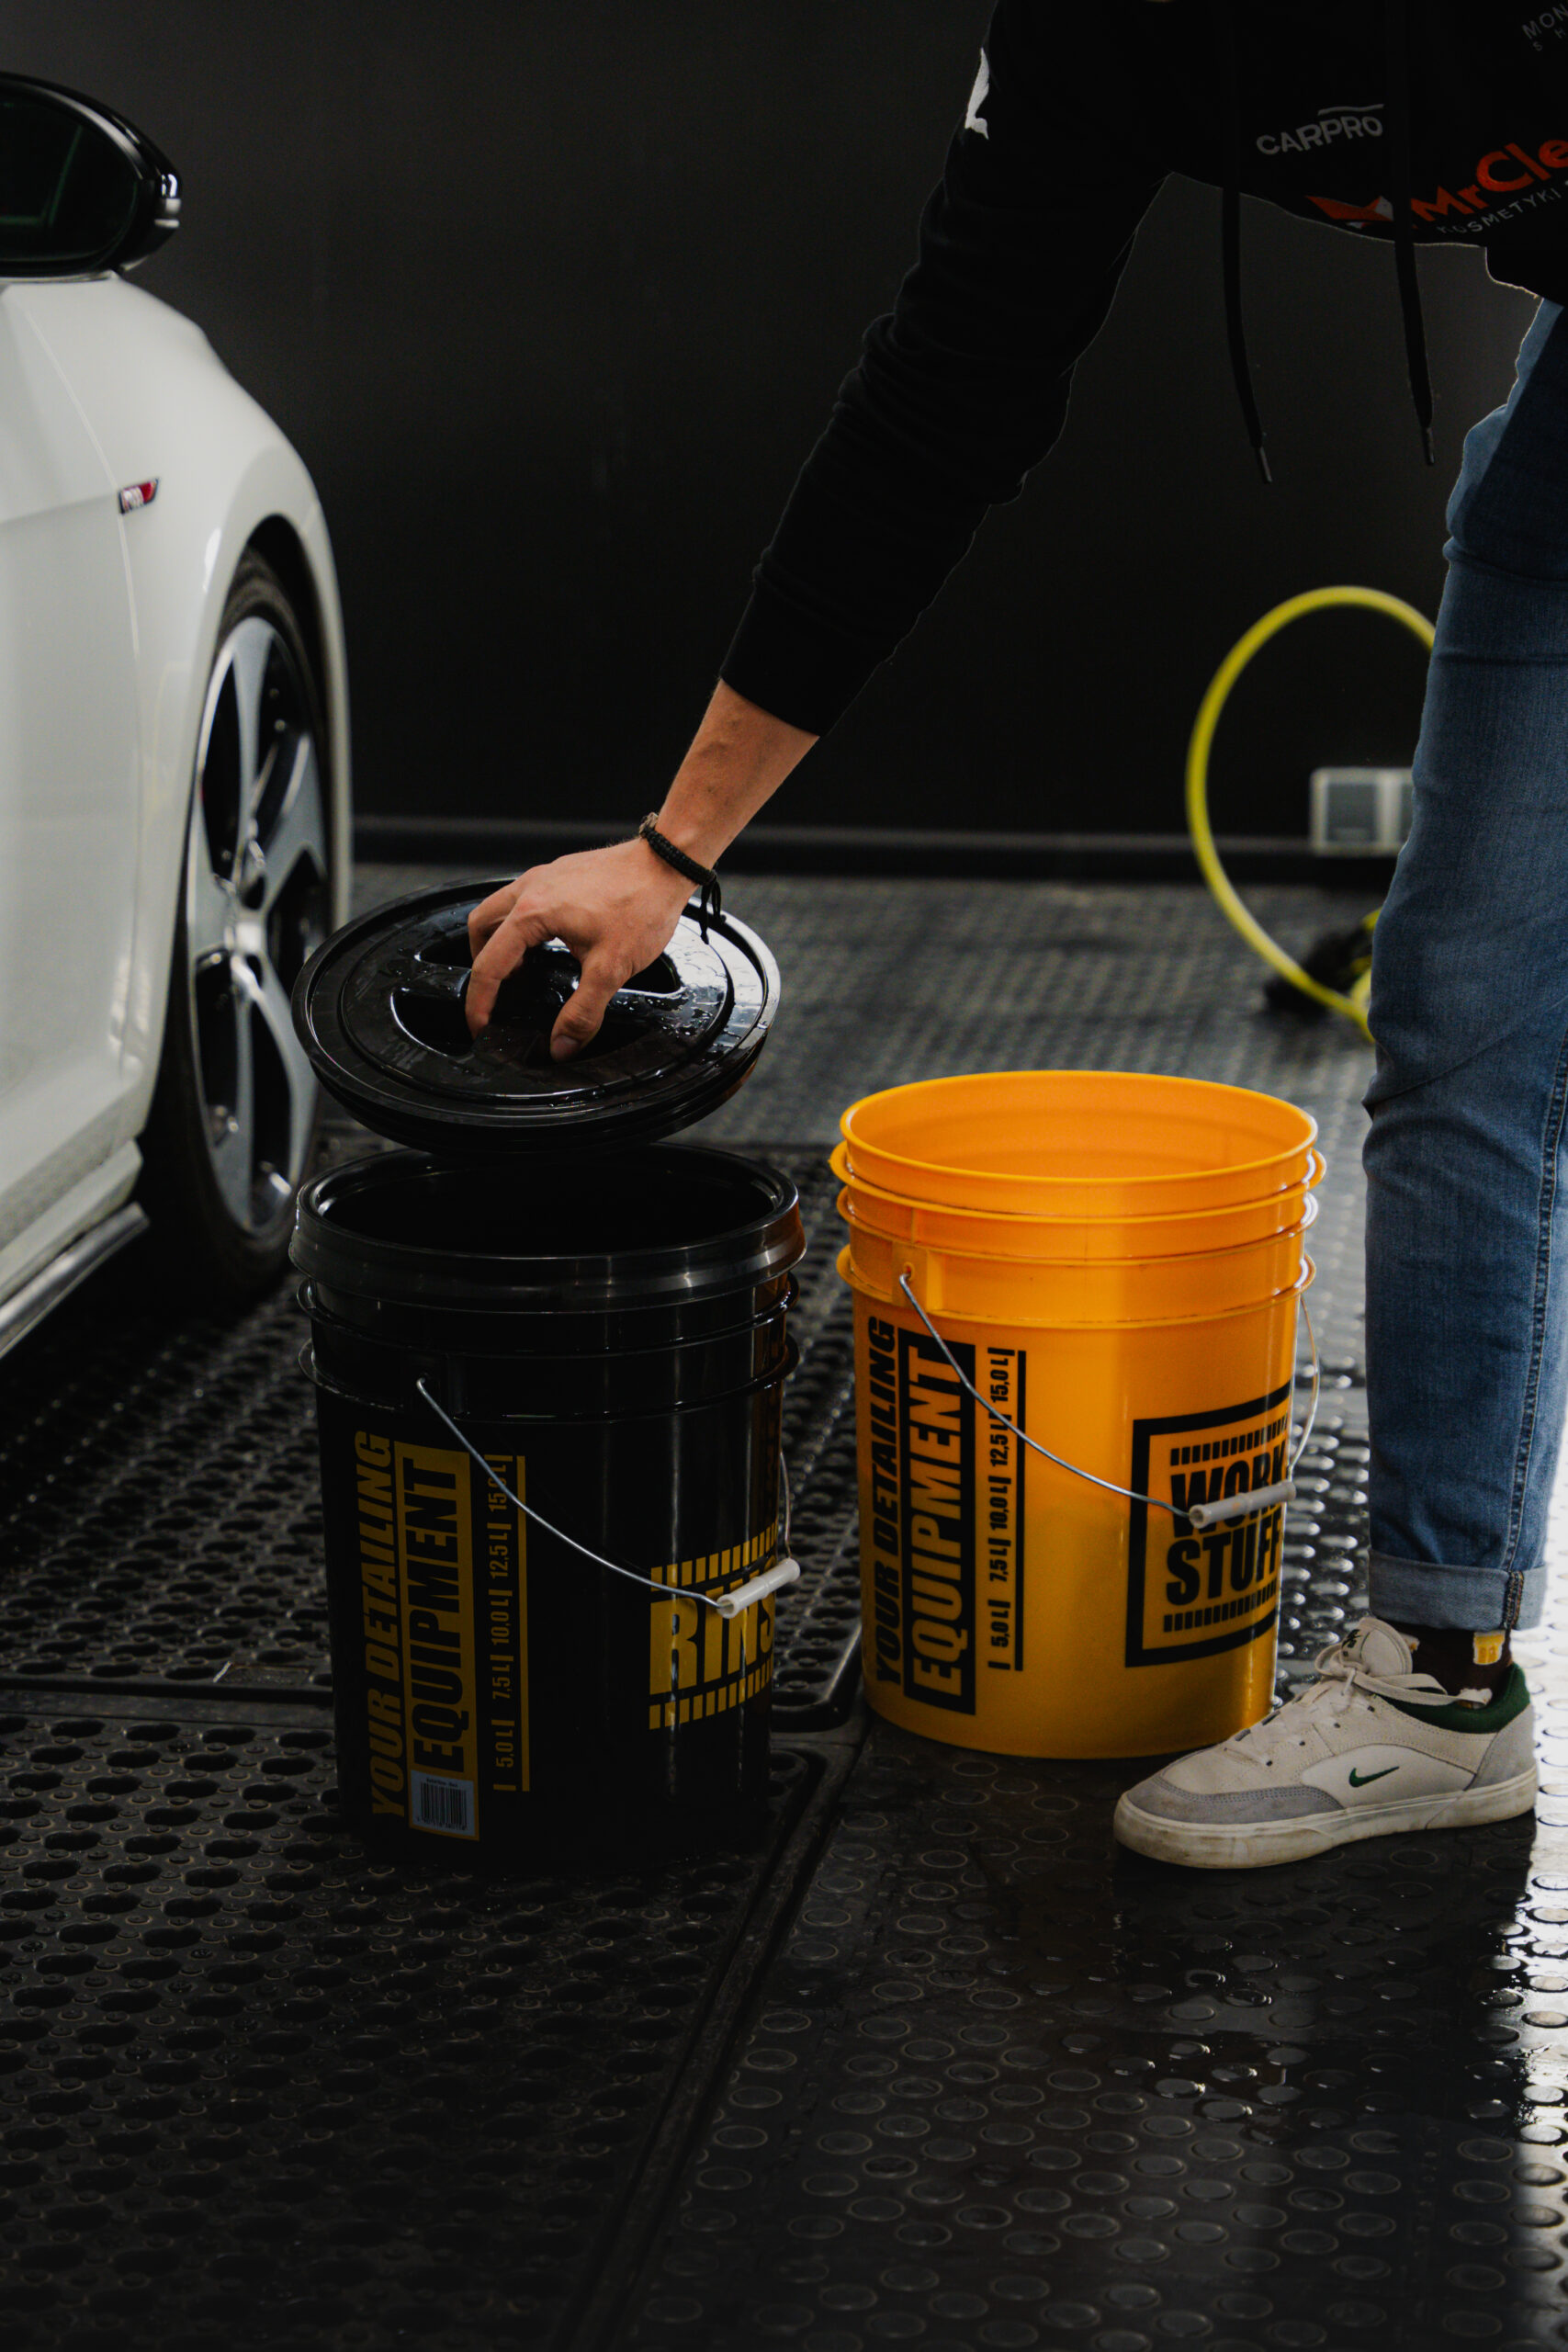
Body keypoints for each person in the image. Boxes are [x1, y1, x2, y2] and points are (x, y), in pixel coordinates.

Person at [466, 3, 1568, 1868]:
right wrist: (674, 843)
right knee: (1462, 1002)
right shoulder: (1093, 26)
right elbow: (945, 393)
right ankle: (1439, 1673)